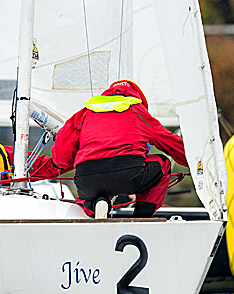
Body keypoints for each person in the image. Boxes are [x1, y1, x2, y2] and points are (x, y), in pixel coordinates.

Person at [52, 79, 187, 219]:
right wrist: (196, 162)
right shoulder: (138, 111)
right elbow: (170, 142)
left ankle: (96, 204)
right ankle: (141, 217)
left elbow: (61, 157)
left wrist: (62, 164)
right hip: (128, 173)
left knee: (91, 189)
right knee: (163, 163)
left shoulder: (85, 112)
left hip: (86, 176)